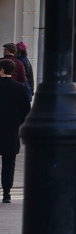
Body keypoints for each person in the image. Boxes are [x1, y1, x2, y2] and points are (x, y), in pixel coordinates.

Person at [0, 59, 31, 203]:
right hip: (12, 131)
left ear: (1, 70)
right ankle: (7, 193)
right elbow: (27, 110)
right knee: (9, 163)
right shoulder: (20, 88)